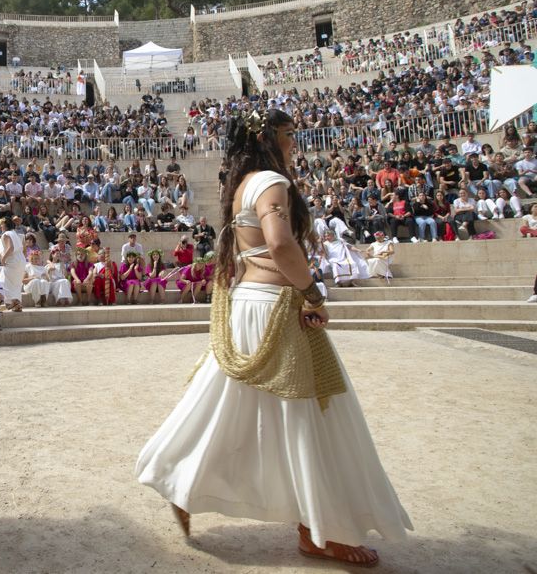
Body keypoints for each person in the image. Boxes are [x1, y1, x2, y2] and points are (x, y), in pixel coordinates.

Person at [136, 111, 411, 568]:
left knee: (223, 401)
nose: (294, 144)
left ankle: (181, 478)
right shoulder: (269, 182)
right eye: (288, 135)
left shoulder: (241, 184)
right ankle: (319, 530)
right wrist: (313, 293)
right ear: (267, 137)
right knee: (314, 414)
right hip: (275, 307)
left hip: (250, 303)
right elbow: (281, 245)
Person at [0, 217, 26, 312]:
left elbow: (11, 248)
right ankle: (17, 304)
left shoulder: (6, 234)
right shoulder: (15, 234)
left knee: (2, 282)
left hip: (12, 261)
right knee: (15, 284)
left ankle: (9, 302)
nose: (1, 226)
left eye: (2, 224)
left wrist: (3, 259)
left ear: (6, 225)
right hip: (20, 260)